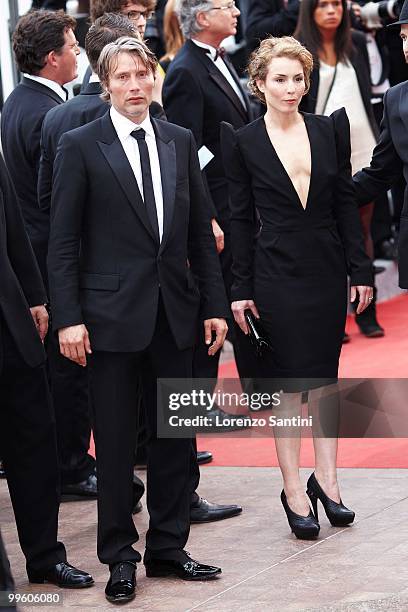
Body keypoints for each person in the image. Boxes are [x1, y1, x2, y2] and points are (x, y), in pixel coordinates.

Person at [47, 36, 229, 603]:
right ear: (104, 85)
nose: (134, 86)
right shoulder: (80, 145)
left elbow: (201, 233)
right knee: (121, 444)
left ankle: (170, 547)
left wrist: (215, 305)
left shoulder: (179, 139)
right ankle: (119, 557)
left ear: (154, 78)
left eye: (142, 75)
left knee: (177, 437)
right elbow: (62, 244)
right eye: (122, 77)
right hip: (107, 320)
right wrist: (69, 319)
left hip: (178, 314)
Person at [221, 36, 373, 539]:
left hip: (325, 269)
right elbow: (239, 220)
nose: (291, 88)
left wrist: (362, 270)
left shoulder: (329, 129)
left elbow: (345, 205)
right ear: (260, 84)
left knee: (324, 382)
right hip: (274, 273)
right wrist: (240, 288)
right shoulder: (242, 140)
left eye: (298, 79)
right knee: (288, 389)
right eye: (279, 79)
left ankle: (327, 482)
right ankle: (292, 489)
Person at [163, 0, 259, 432]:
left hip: (237, 200)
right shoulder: (185, 71)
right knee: (212, 299)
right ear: (202, 18)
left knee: (232, 293)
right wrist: (208, 216)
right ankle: (199, 403)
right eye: (227, 6)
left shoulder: (221, 59)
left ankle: (248, 388)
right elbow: (189, 150)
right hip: (216, 206)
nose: (237, 11)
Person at [0, 153, 93, 589]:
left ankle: (45, 558)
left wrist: (36, 295)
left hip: (9, 321)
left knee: (34, 444)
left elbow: (13, 222)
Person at [294, 0, 385, 338]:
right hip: (320, 151)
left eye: (337, 4)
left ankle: (367, 312)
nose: (331, 11)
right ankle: (332, 319)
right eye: (323, 5)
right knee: (325, 236)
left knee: (363, 233)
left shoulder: (357, 43)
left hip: (363, 148)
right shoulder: (299, 49)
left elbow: (370, 92)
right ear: (309, 11)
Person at [353, 0, 408, 287]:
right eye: (403, 38)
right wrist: (332, 195)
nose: (407, 47)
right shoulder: (396, 99)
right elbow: (380, 173)